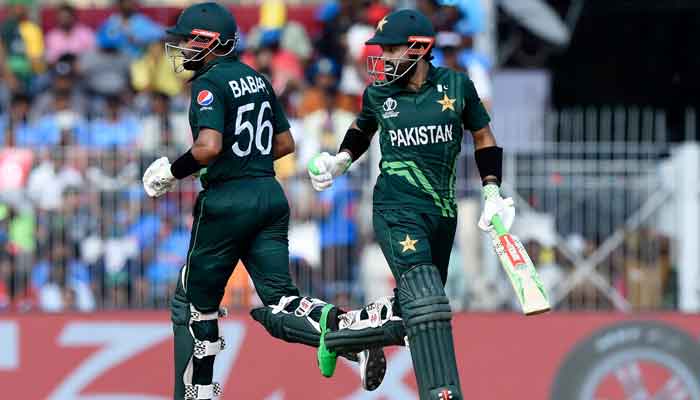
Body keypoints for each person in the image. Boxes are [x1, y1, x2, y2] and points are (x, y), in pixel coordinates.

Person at [141, 3, 387, 399]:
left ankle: (196, 394)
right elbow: (285, 143)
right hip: (270, 195)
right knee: (280, 299)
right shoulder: (258, 79)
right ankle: (347, 336)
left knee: (192, 301)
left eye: (187, 41)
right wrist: (247, 158)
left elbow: (208, 147)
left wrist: (171, 172)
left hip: (228, 200)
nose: (182, 49)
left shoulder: (208, 85)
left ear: (209, 42)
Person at [307, 9, 515, 400]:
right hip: (395, 208)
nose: (382, 59)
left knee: (413, 310)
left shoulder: (456, 86)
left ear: (419, 48)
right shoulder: (379, 93)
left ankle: (345, 333)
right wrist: (340, 160)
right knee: (431, 305)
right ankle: (442, 393)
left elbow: (484, 137)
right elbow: (361, 128)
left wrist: (492, 192)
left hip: (442, 213)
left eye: (390, 50)